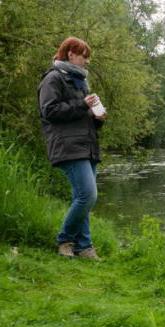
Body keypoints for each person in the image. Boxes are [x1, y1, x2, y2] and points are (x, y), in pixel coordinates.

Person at [38, 37, 106, 259]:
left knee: (83, 198)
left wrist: (98, 117)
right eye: (83, 56)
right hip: (67, 146)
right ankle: (64, 240)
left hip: (86, 146)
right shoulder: (53, 78)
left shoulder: (79, 81)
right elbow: (50, 111)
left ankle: (84, 247)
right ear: (70, 55)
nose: (87, 61)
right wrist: (82, 104)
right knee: (88, 195)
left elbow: (81, 115)